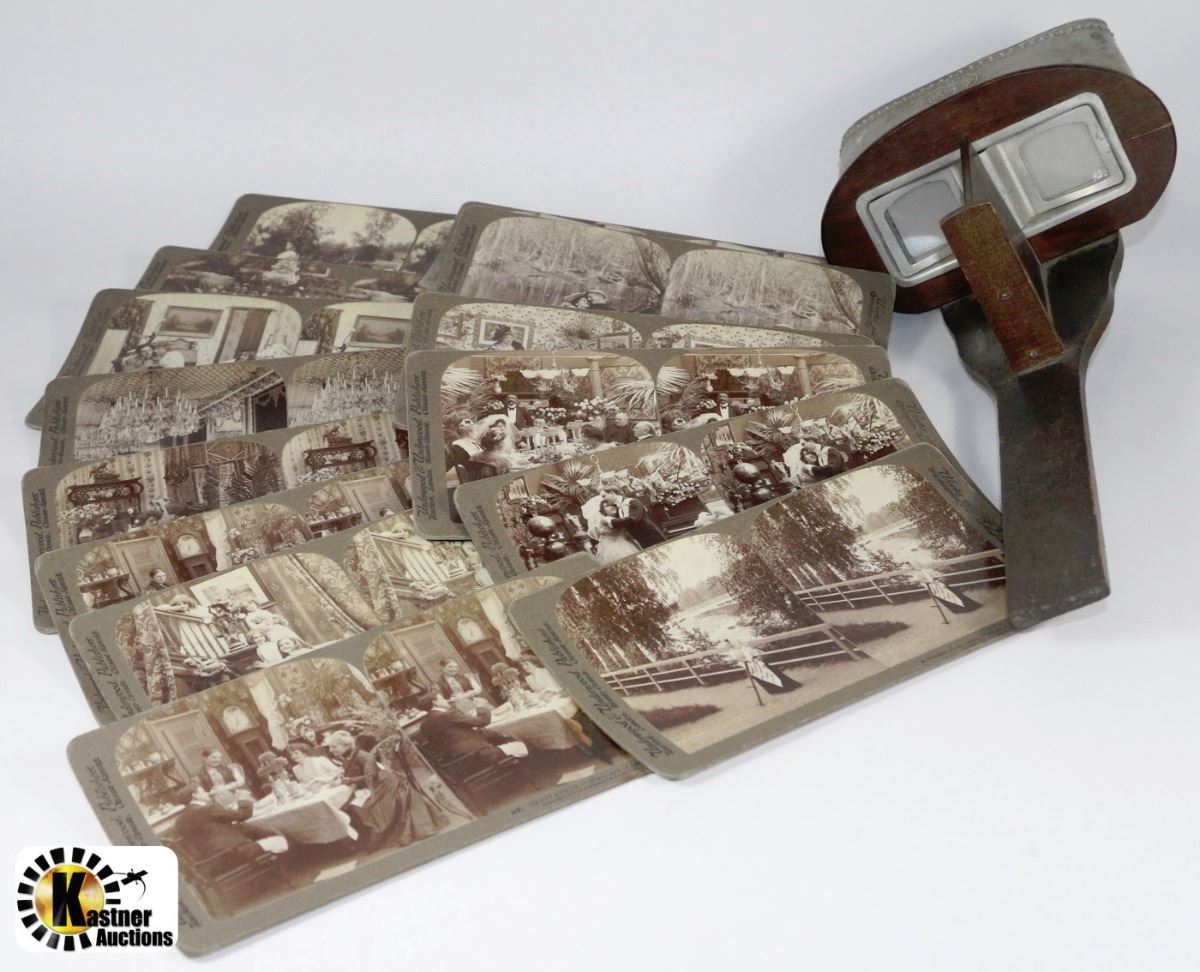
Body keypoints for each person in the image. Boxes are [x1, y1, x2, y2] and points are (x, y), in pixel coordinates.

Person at [323, 729, 456, 849]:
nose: (331, 750)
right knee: (354, 804)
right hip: (377, 784)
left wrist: (350, 780)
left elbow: (374, 774)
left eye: (334, 747)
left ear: (346, 746)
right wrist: (344, 778)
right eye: (330, 747)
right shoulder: (349, 756)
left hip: (386, 785)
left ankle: (376, 838)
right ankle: (368, 838)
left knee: (360, 806)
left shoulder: (361, 755)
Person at [173, 787, 283, 864]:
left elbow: (213, 829)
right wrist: (242, 799)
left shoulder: (179, 821)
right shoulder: (207, 809)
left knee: (254, 830)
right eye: (203, 791)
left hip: (211, 861)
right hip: (233, 853)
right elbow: (243, 815)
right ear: (195, 795)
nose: (207, 793)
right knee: (282, 839)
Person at [590, 499, 642, 564]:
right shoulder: (605, 519)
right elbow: (622, 522)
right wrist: (625, 509)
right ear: (603, 510)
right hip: (615, 547)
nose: (611, 507)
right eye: (607, 506)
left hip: (626, 543)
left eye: (613, 505)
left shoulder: (619, 517)